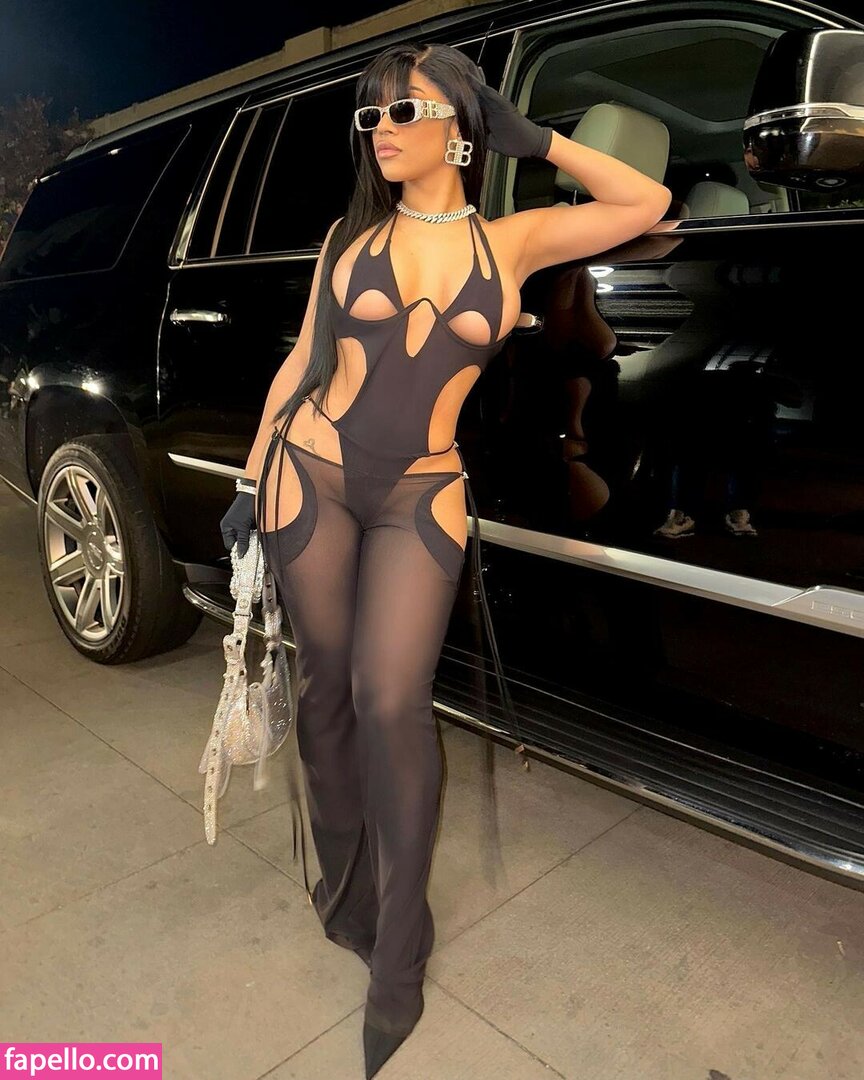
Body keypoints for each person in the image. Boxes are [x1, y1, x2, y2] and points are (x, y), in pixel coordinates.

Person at [220, 41, 670, 1078]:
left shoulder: (511, 242)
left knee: (391, 702)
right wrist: (249, 476)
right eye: (370, 116)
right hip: (310, 476)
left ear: (463, 130)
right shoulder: (349, 237)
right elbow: (303, 360)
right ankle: (344, 892)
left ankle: (400, 950)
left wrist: (537, 139)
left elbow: (643, 201)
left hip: (420, 495)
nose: (380, 131)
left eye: (403, 111)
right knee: (325, 694)